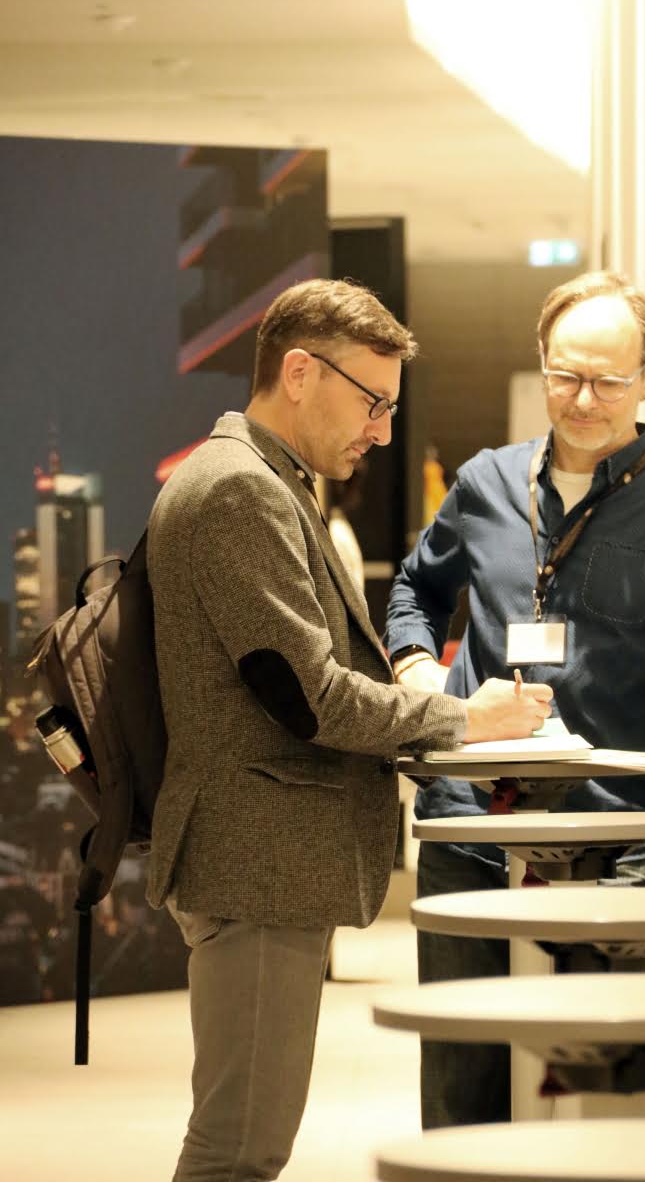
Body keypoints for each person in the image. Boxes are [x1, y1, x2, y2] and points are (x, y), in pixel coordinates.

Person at [145, 278, 553, 1181]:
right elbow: (313, 699)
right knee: (238, 1149)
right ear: (299, 373)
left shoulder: (263, 481)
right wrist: (465, 718)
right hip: (254, 864)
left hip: (265, 862)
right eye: (373, 402)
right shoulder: (238, 490)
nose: (380, 431)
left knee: (244, 1141)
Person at [385, 269, 645, 1128]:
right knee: (462, 1100)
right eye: (565, 375)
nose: (582, 400)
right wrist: (415, 666)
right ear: (541, 361)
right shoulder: (485, 483)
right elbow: (414, 591)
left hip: (613, 842)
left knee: (608, 1103)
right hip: (470, 828)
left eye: (607, 381)